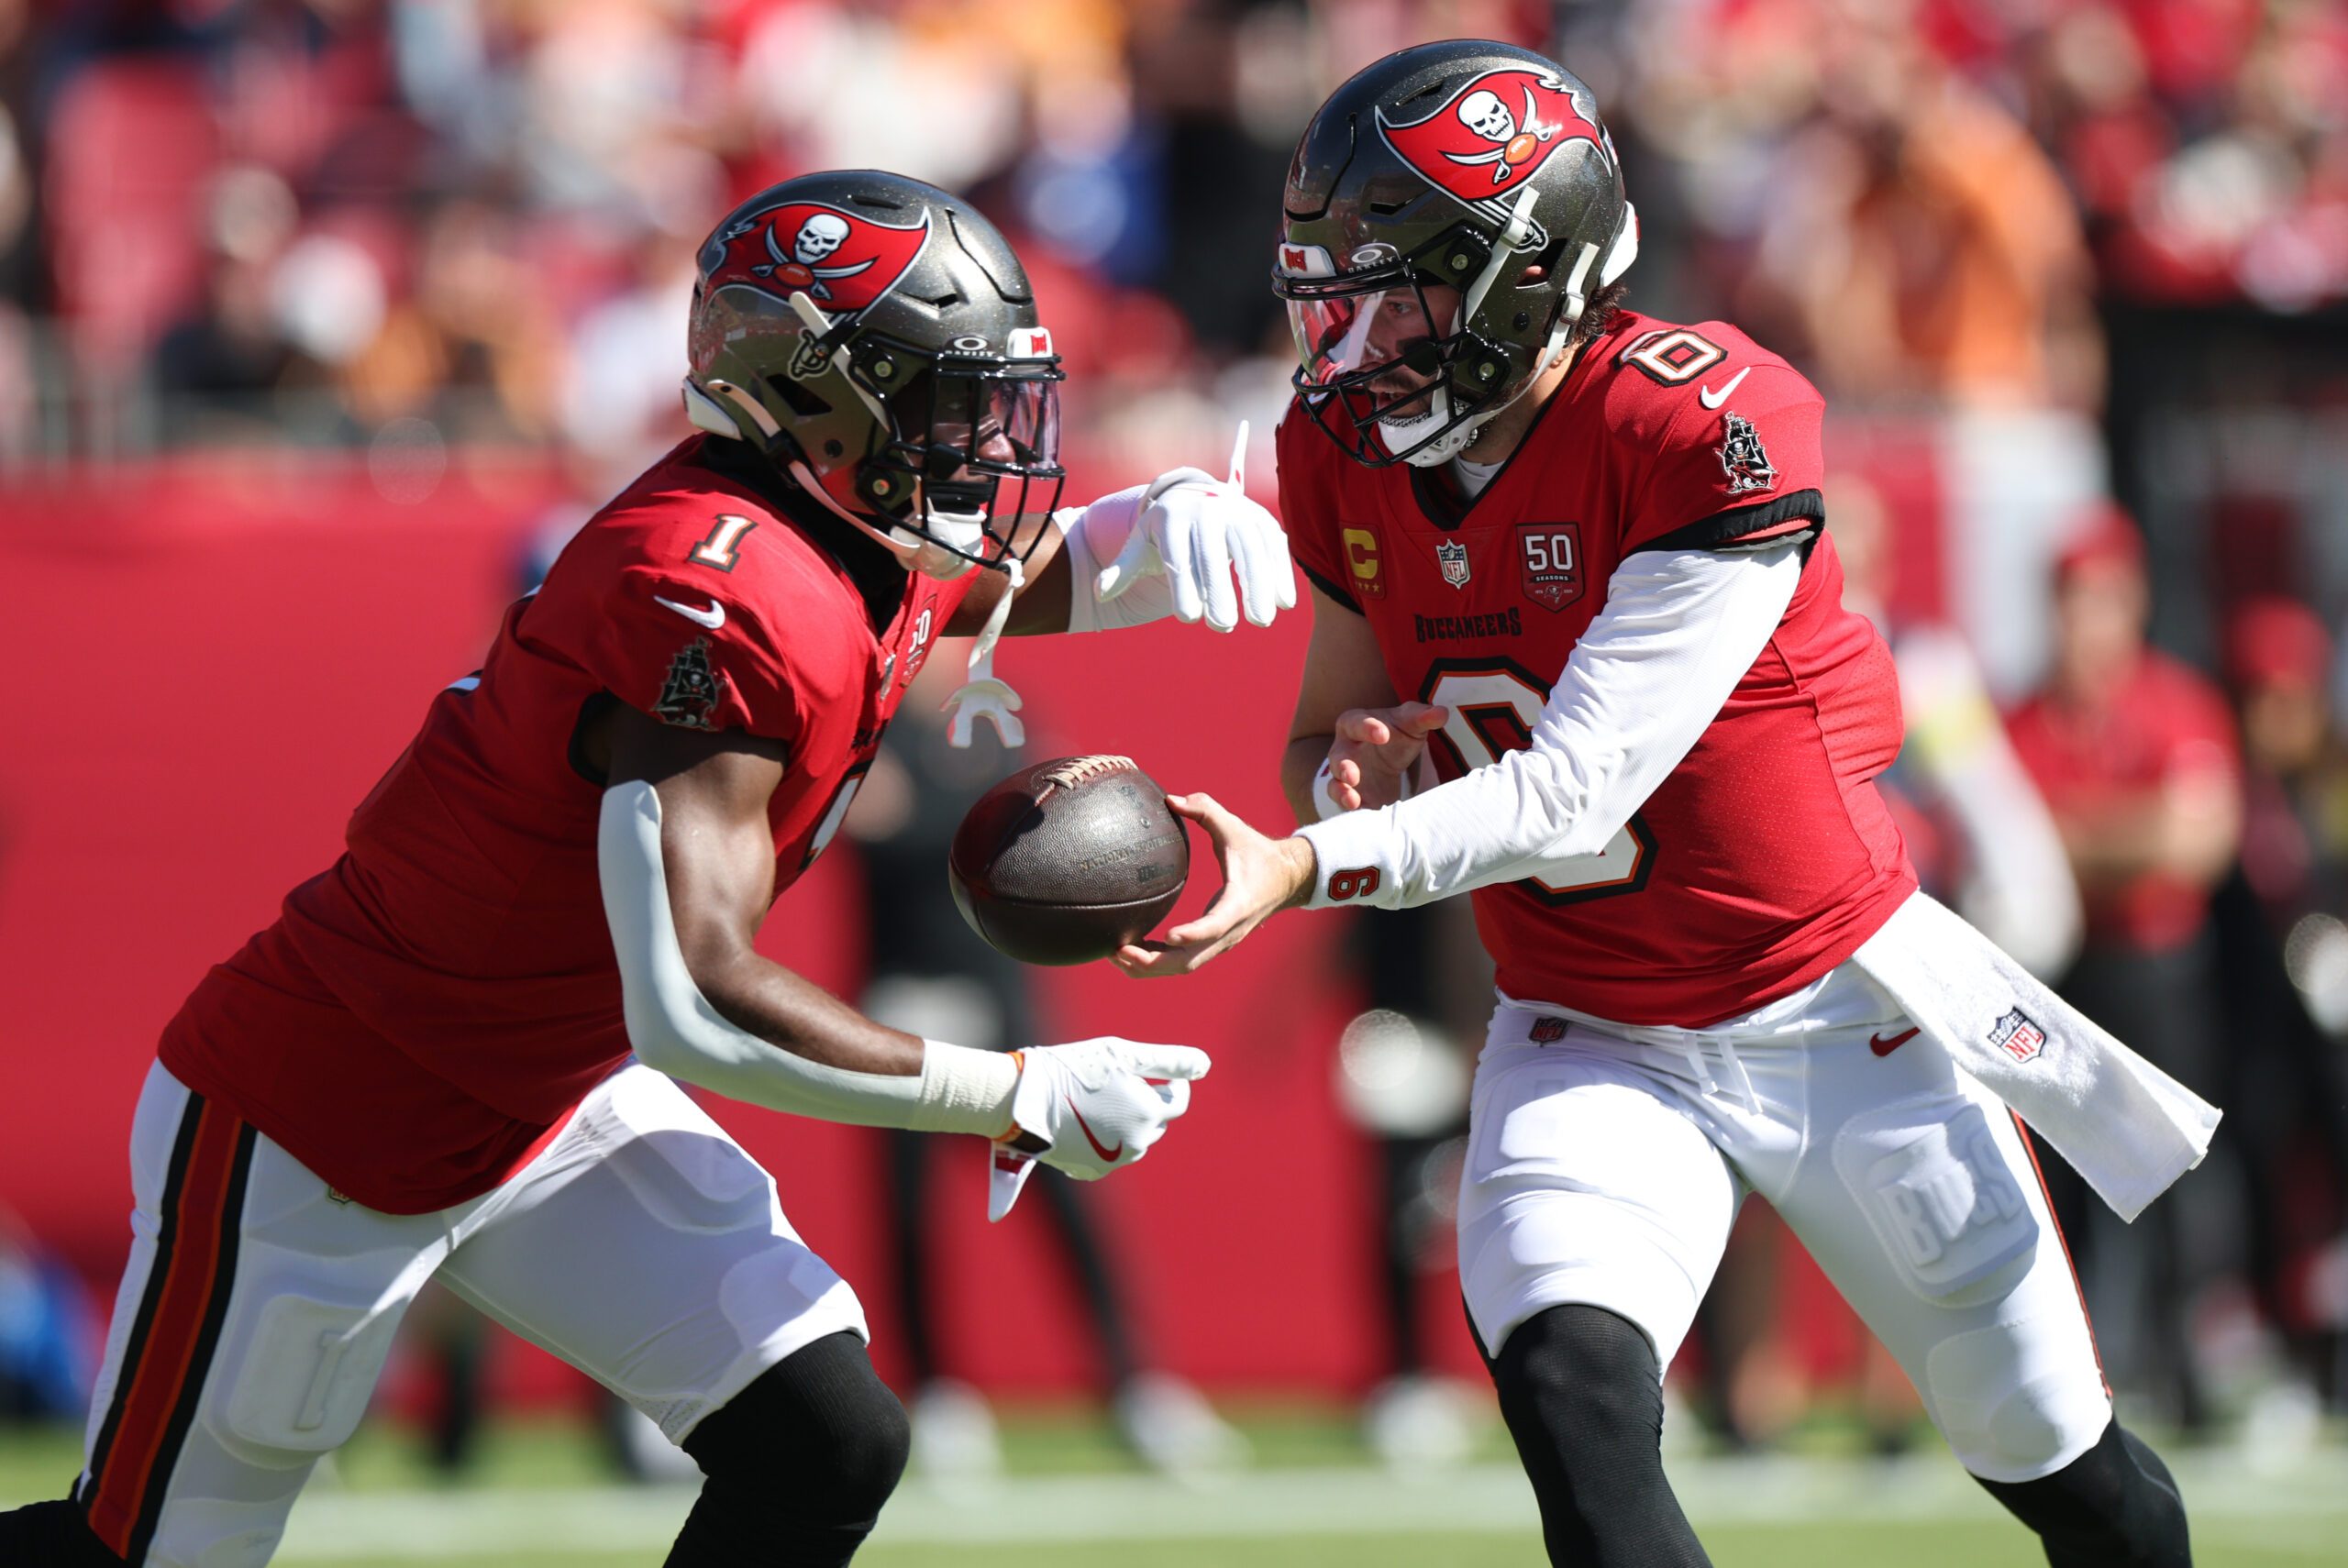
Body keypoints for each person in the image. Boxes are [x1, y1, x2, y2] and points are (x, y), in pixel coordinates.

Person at [0, 169, 1295, 1568]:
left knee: (824, 1438)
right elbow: (697, 997)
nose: (979, 435)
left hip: (538, 1101)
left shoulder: (835, 519)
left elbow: (978, 581)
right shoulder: (711, 593)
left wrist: (1144, 540)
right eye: (941, 395)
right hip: (328, 1113)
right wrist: (1013, 1091)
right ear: (811, 399)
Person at [1119, 42, 2199, 1568]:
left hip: (1834, 1012)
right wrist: (1338, 778)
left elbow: (1576, 788)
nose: (1356, 339)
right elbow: (1326, 732)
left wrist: (1305, 859)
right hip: (1590, 1022)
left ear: (1529, 268)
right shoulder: (1341, 455)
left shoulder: (1700, 425)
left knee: (2065, 1474)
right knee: (1573, 1387)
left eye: (1403, 289)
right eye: (1334, 291)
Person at [2006, 509, 2243, 1430]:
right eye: (2071, 600)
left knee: (2175, 1170)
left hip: (2157, 967)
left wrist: (2086, 834)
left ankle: (2189, 1366)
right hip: (2064, 969)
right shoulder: (2024, 714)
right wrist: (2130, 829)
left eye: (2098, 598)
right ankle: (2080, 1373)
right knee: (2056, 1183)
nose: (2083, 620)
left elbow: (2193, 844)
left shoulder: (2175, 701)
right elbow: (2024, 848)